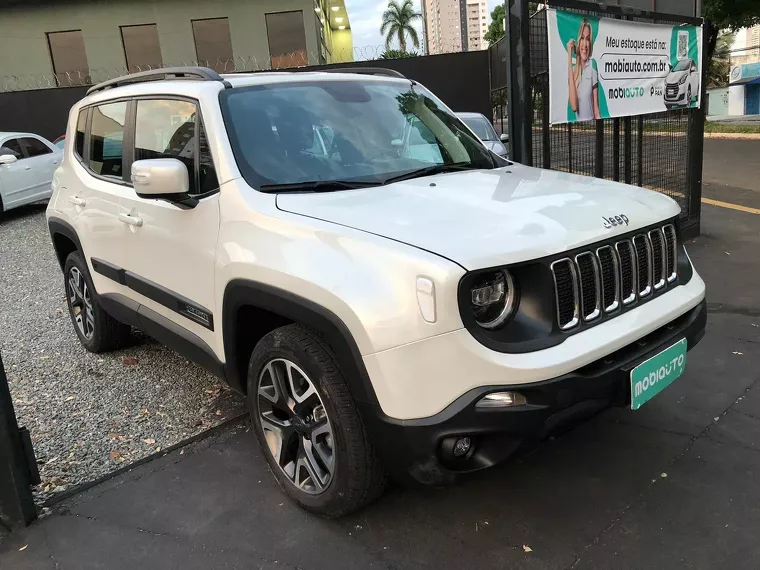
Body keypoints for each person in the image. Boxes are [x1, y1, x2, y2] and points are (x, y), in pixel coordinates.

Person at [567, 18, 601, 121]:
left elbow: (596, 106)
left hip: (593, 126)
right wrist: (569, 54)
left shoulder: (593, 64)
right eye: (582, 38)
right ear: (578, 41)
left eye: (588, 39)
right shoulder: (572, 71)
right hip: (578, 129)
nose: (585, 44)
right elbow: (574, 106)